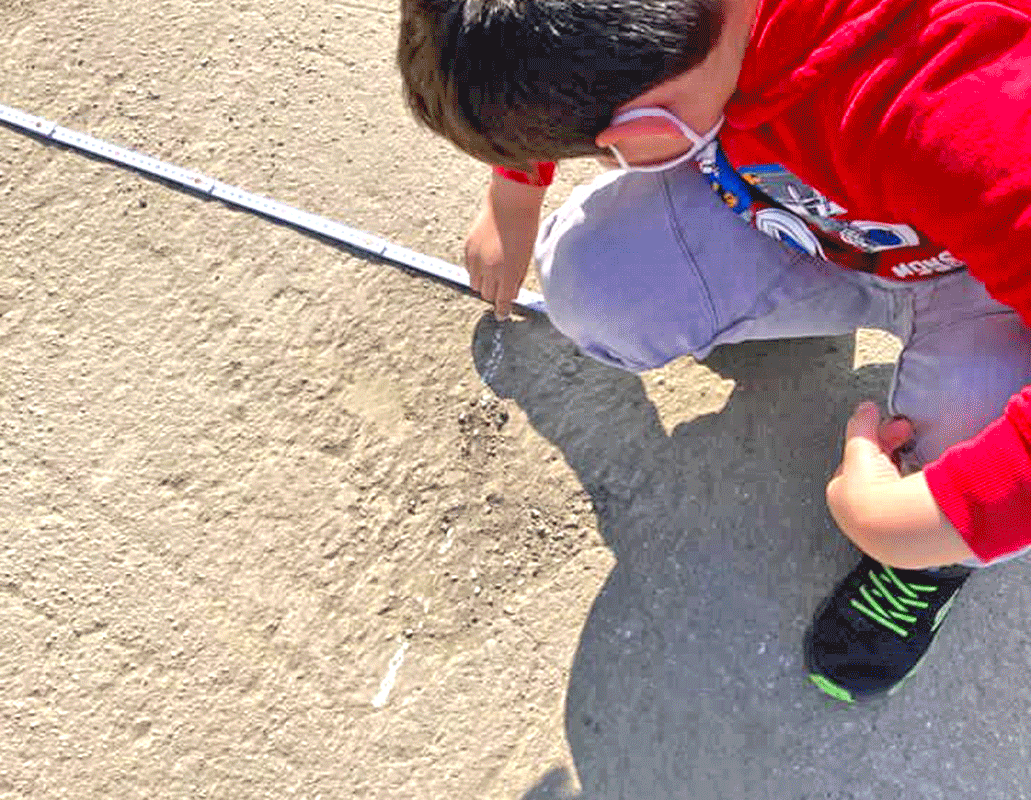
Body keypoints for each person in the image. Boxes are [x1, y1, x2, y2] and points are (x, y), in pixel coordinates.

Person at [396, 0, 1031, 702]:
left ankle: (928, 564)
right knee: (597, 285)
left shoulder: (970, 104)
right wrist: (513, 192)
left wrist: (930, 520)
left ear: (643, 132)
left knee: (975, 429)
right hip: (835, 212)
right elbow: (555, 39)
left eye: (603, 149)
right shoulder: (702, 41)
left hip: (984, 283)